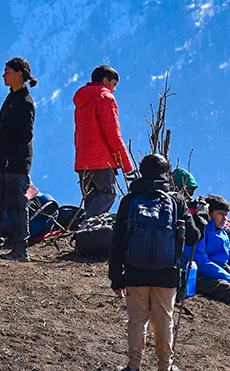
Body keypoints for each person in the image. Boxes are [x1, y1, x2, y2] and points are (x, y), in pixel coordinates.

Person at [107, 154, 202, 371]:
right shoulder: (176, 200)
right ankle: (164, 366)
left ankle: (133, 366)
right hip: (167, 272)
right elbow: (194, 237)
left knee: (137, 320)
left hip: (135, 271)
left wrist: (116, 277)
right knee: (164, 321)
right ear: (166, 173)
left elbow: (118, 240)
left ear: (142, 172)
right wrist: (201, 215)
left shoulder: (129, 200)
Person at [0, 57, 37, 262]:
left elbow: (25, 135)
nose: (4, 75)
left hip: (15, 162)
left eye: (7, 71)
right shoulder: (12, 98)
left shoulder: (25, 102)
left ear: (19, 74)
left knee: (16, 205)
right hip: (4, 161)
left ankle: (20, 249)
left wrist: (6, 150)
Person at [73, 65, 134, 216]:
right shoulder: (105, 98)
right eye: (113, 84)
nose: (114, 89)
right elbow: (113, 134)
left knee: (91, 198)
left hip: (82, 159)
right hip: (101, 160)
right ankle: (85, 226)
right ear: (105, 80)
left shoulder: (81, 101)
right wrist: (127, 166)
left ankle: (86, 235)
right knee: (108, 193)